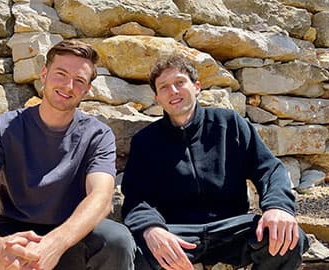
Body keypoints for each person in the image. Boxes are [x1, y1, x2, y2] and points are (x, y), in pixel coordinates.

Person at [0, 40, 136, 270]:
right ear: (44, 74)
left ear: (87, 90)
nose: (68, 86)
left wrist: (53, 246)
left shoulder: (98, 135)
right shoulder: (5, 126)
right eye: (61, 74)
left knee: (117, 240)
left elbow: (101, 198)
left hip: (70, 237)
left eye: (79, 80)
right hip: (10, 233)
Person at [121, 55, 309, 270]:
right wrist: (151, 229)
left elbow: (269, 170)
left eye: (180, 82)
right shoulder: (145, 141)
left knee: (288, 239)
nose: (173, 91)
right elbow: (137, 198)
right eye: (164, 87)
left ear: (197, 87)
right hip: (178, 234)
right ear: (157, 98)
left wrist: (278, 207)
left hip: (232, 228)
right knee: (136, 252)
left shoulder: (230, 124)